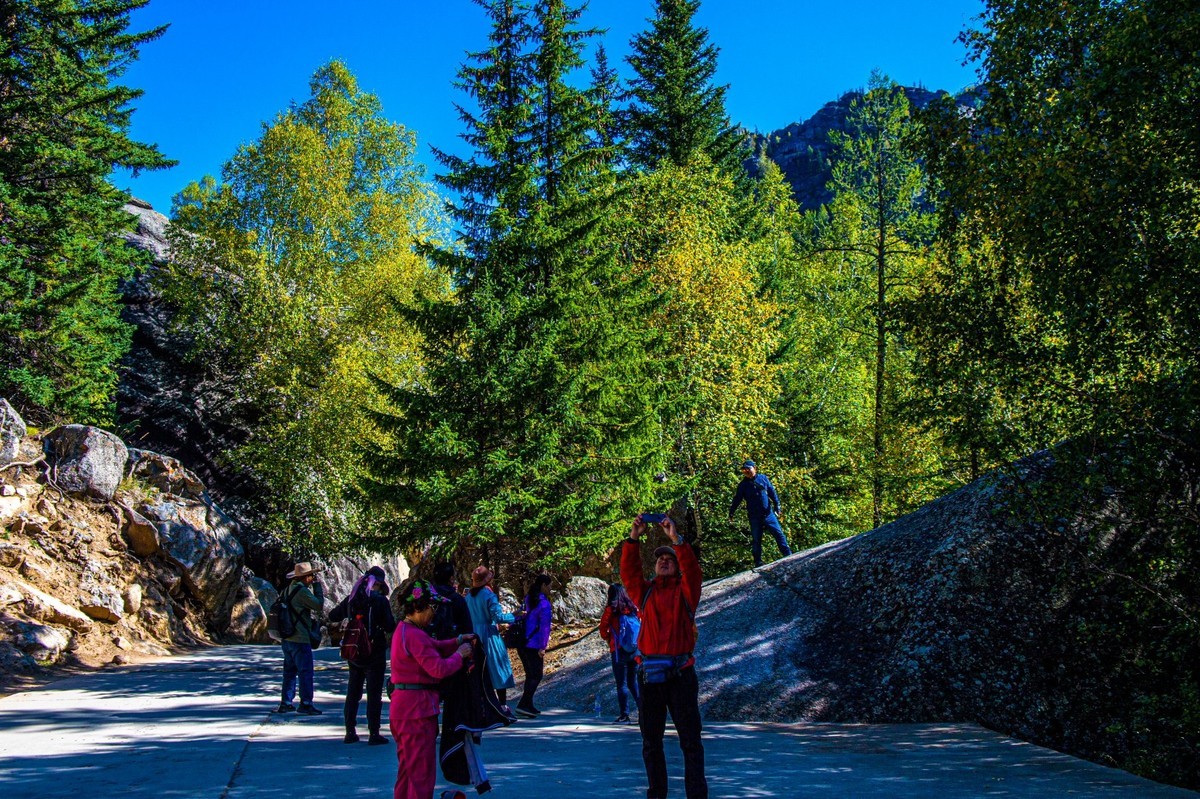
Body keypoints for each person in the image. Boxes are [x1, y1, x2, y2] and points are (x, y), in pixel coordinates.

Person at [622, 513, 707, 799]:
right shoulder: (644, 593)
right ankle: (656, 795)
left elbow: (693, 571)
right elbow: (629, 574)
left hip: (681, 676)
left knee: (690, 742)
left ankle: (697, 795)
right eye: (660, 559)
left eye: (669, 558)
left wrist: (676, 540)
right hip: (649, 677)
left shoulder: (686, 592)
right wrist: (633, 537)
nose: (664, 560)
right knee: (651, 743)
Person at [389, 579, 475, 799]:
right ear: (418, 607)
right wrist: (460, 655)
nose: (434, 613)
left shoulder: (405, 629)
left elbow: (434, 646)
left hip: (404, 710)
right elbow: (438, 668)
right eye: (432, 607)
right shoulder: (415, 635)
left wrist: (457, 640)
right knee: (421, 775)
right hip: (416, 712)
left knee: (407, 771)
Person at [328, 565, 396, 744]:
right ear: (379, 584)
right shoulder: (380, 601)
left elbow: (333, 615)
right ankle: (374, 733)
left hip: (355, 652)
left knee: (353, 691)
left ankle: (350, 731)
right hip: (374, 651)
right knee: (374, 693)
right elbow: (390, 626)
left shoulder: (352, 598)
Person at [464, 566, 518, 714]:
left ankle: (483, 705)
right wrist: (515, 615)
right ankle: (502, 706)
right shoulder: (489, 595)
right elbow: (498, 617)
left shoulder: (468, 597)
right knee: (497, 667)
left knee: (479, 669)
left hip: (474, 635)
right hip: (489, 634)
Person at [277, 561, 326, 716]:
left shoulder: (286, 590)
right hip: (299, 638)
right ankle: (306, 703)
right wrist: (318, 589)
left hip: (287, 638)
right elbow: (318, 605)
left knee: (289, 671)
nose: (312, 578)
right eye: (311, 576)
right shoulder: (302, 592)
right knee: (305, 672)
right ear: (305, 577)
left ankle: (286, 702)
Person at [728, 459, 792, 567]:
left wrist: (777, 505)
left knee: (779, 534)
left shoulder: (763, 478)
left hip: (768, 514)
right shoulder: (743, 485)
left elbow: (772, 492)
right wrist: (731, 512)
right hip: (754, 516)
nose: (746, 471)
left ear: (754, 468)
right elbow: (737, 499)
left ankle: (788, 554)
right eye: (744, 470)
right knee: (756, 540)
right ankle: (758, 562)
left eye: (748, 468)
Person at [598, 582, 640, 723]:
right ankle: (644, 711)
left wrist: (609, 638)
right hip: (634, 650)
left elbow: (603, 629)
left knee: (621, 683)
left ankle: (624, 714)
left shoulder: (611, 609)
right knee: (633, 682)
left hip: (618, 650)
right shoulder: (633, 608)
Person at [514, 573, 552, 718]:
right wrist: (543, 646)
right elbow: (544, 627)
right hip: (534, 644)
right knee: (536, 675)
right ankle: (523, 704)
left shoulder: (528, 599)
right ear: (543, 585)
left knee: (531, 674)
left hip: (522, 642)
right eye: (549, 586)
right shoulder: (544, 604)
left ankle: (528, 704)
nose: (550, 589)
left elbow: (520, 616)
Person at [431, 562, 472, 641]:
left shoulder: (428, 597)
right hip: (454, 644)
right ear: (451, 578)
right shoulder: (457, 599)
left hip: (431, 644)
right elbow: (467, 627)